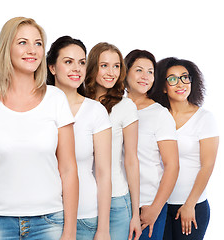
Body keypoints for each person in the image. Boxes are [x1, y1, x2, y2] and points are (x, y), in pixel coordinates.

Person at [0, 17, 79, 240]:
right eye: (23, 42)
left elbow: (69, 169)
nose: (32, 50)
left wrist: (70, 231)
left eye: (38, 43)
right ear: (7, 48)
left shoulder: (56, 99)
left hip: (49, 222)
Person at [46, 36, 112, 240]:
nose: (77, 68)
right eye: (68, 62)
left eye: (82, 62)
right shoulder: (38, 106)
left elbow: (103, 173)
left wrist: (103, 229)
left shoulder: (95, 111)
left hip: (85, 217)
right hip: (42, 217)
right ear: (52, 68)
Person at [153, 57, 219, 240]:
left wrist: (190, 204)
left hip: (191, 206)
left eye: (184, 77)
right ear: (163, 87)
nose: (180, 83)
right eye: (172, 79)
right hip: (159, 206)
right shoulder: (157, 116)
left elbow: (208, 165)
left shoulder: (204, 118)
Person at [85, 42, 142, 240]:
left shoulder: (125, 106)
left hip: (116, 201)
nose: (111, 72)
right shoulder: (78, 102)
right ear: (92, 67)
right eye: (104, 65)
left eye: (116, 66)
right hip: (82, 200)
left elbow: (131, 160)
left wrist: (135, 214)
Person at [124, 50, 179, 240]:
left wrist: (155, 209)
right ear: (126, 71)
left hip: (147, 204)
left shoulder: (160, 114)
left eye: (150, 71)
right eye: (139, 70)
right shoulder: (113, 106)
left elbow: (172, 166)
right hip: (117, 202)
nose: (145, 76)